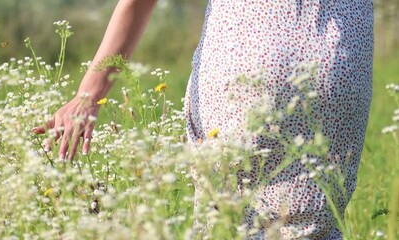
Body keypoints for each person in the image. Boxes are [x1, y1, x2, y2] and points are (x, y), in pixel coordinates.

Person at [34, 1, 374, 239]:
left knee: (227, 224)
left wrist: (89, 94)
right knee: (313, 227)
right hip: (340, 63)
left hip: (245, 53)